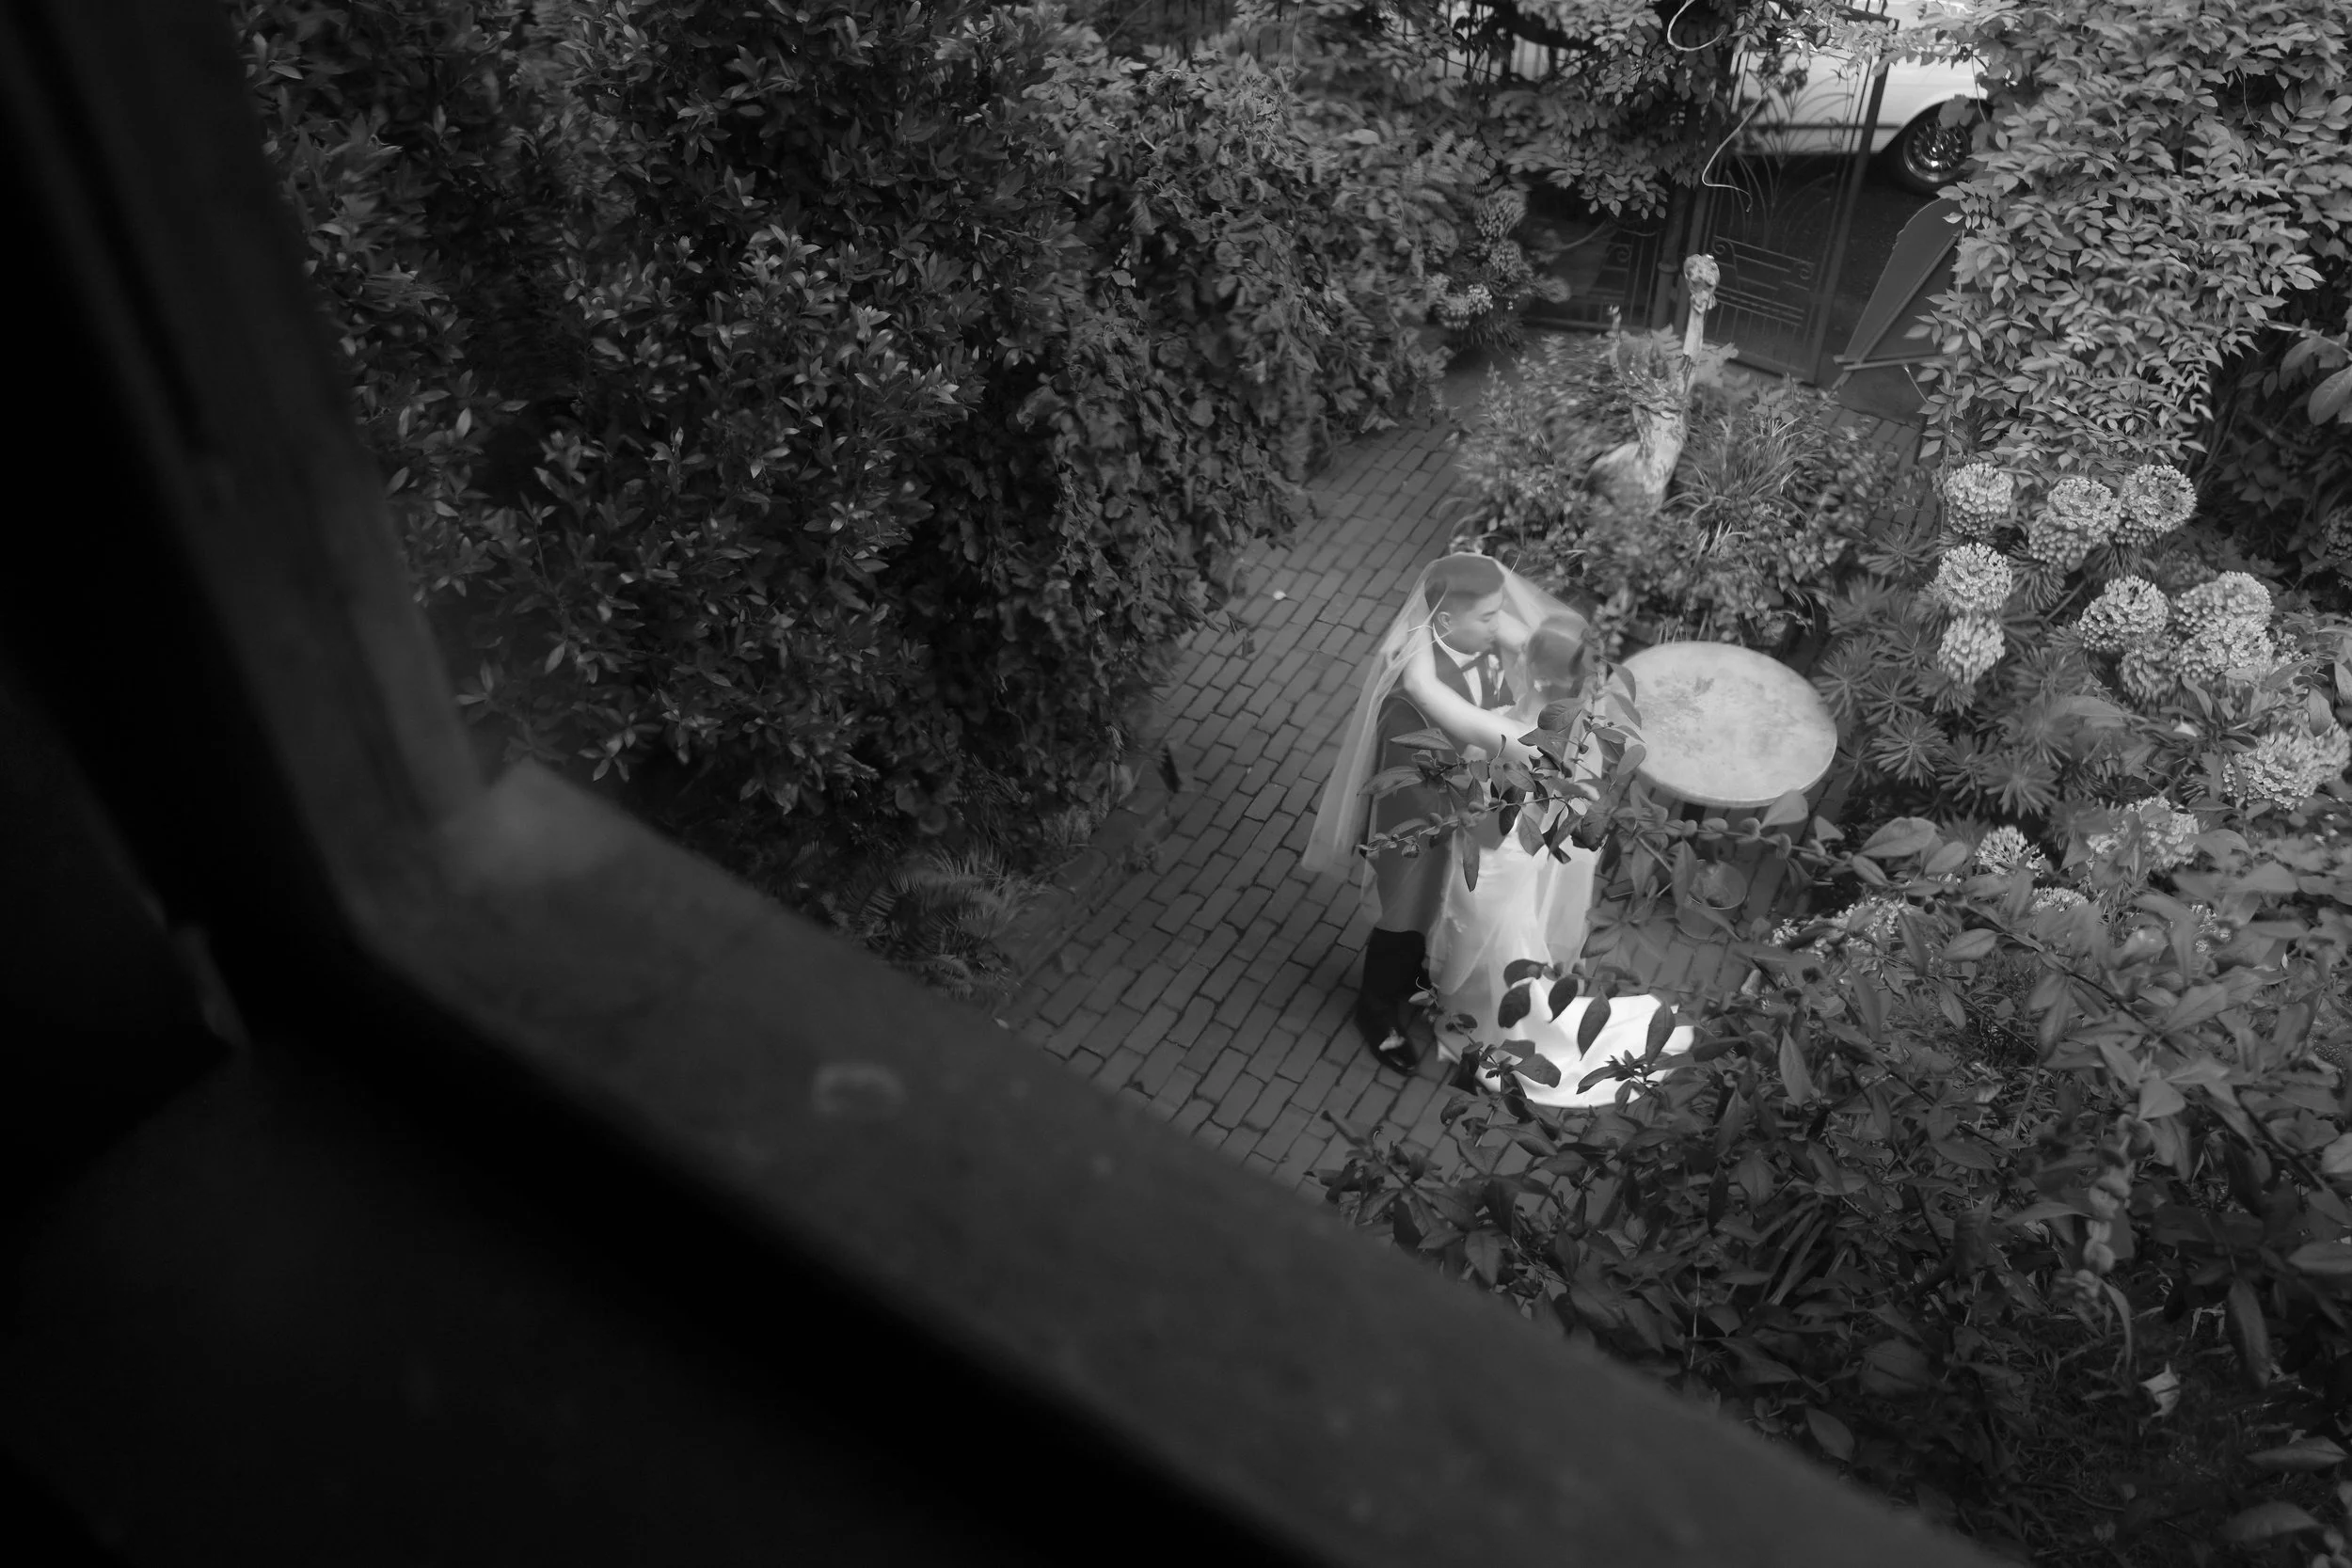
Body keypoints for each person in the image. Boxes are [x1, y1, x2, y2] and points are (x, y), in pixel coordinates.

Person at [1301, 554, 1583, 1074]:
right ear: (1448, 624)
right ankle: (1376, 1008)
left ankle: (1416, 983)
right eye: (1488, 618)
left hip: (1471, 812)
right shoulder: (1412, 698)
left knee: (1438, 912)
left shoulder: (1476, 643)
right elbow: (1417, 773)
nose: (1501, 628)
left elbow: (1516, 641)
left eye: (1499, 615)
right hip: (1420, 821)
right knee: (1404, 914)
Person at [1423, 615, 1601, 1065]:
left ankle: (1464, 1010)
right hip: (1520, 844)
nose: (1514, 655)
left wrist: (1416, 638)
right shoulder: (1573, 703)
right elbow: (1536, 649)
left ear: (1539, 672)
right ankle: (1464, 997)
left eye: (1525, 653)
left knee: (1475, 928)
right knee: (1499, 926)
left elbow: (1433, 694)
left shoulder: (1523, 740)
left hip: (1494, 853)